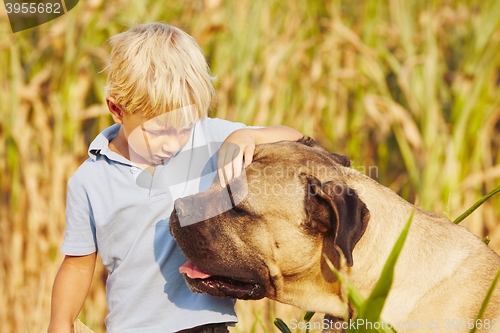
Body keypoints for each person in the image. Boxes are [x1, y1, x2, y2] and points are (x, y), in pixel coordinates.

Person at [48, 22, 302, 333]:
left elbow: (298, 142)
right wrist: (59, 324)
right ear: (117, 109)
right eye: (157, 132)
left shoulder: (210, 138)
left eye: (183, 128)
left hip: (205, 324)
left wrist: (246, 136)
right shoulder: (89, 181)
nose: (172, 143)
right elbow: (77, 264)